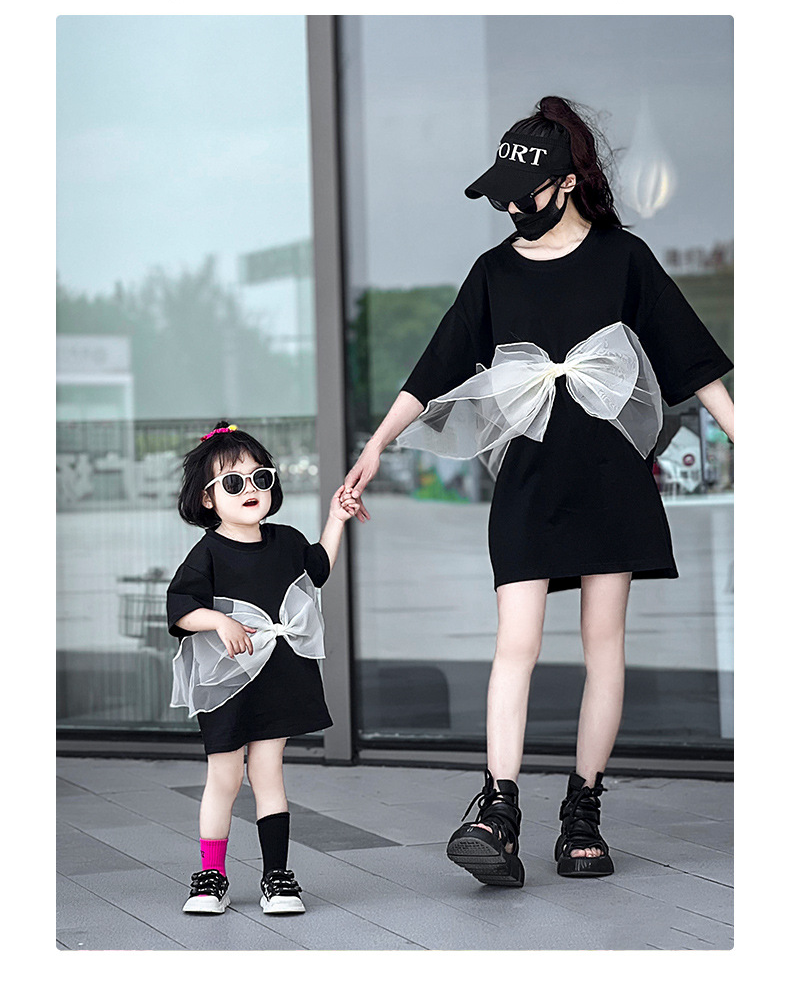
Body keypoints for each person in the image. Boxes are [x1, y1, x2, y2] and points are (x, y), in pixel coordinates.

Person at [343, 96, 734, 888]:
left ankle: (582, 812)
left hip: (609, 480)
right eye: (502, 199)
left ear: (565, 183)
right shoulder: (493, 272)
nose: (511, 209)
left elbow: (693, 360)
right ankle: (498, 810)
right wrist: (376, 444)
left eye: (522, 195)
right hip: (528, 482)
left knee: (603, 646)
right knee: (514, 644)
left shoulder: (624, 259)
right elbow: (436, 366)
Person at [167, 422, 358, 914]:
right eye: (233, 482)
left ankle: (277, 877)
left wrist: (336, 518)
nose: (250, 489)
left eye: (261, 478)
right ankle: (211, 876)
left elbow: (318, 567)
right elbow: (180, 608)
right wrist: (218, 620)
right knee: (225, 776)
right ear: (208, 499)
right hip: (229, 682)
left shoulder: (287, 540)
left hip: (278, 675)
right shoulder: (207, 552)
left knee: (269, 772)